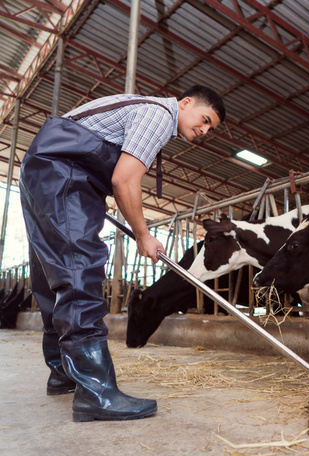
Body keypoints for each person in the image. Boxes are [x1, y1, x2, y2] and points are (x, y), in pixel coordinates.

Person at [19, 85, 225, 422]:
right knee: (78, 270)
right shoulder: (160, 114)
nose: (204, 131)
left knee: (51, 275)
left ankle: (63, 372)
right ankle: (96, 392)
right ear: (185, 103)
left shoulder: (142, 109)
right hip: (62, 172)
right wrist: (144, 236)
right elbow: (124, 180)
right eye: (204, 120)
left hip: (43, 170)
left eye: (210, 129)